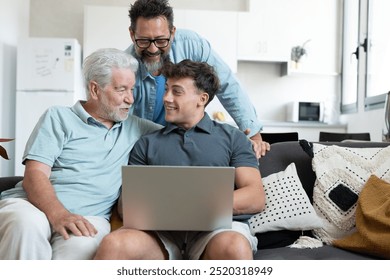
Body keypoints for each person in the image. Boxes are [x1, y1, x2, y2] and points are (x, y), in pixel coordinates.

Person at [94, 60, 265, 260]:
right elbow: (127, 206)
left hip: (217, 231)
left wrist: (193, 205)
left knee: (234, 246)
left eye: (177, 91)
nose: (166, 98)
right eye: (166, 90)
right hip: (159, 233)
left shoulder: (233, 138)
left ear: (202, 99)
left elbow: (255, 196)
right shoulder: (146, 143)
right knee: (115, 244)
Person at [0, 48, 162, 260]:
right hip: (31, 205)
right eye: (121, 90)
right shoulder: (58, 117)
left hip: (90, 216)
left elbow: (180, 135)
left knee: (80, 246)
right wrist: (59, 214)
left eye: (132, 89)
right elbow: (35, 175)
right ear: (95, 90)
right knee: (24, 224)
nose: (130, 99)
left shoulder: (138, 128)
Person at [126, 0, 270, 158]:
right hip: (149, 145)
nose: (153, 49)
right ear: (132, 35)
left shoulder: (192, 44)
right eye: (144, 41)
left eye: (161, 40)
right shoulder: (125, 67)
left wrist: (253, 134)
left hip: (188, 139)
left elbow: (228, 85)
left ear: (172, 33)